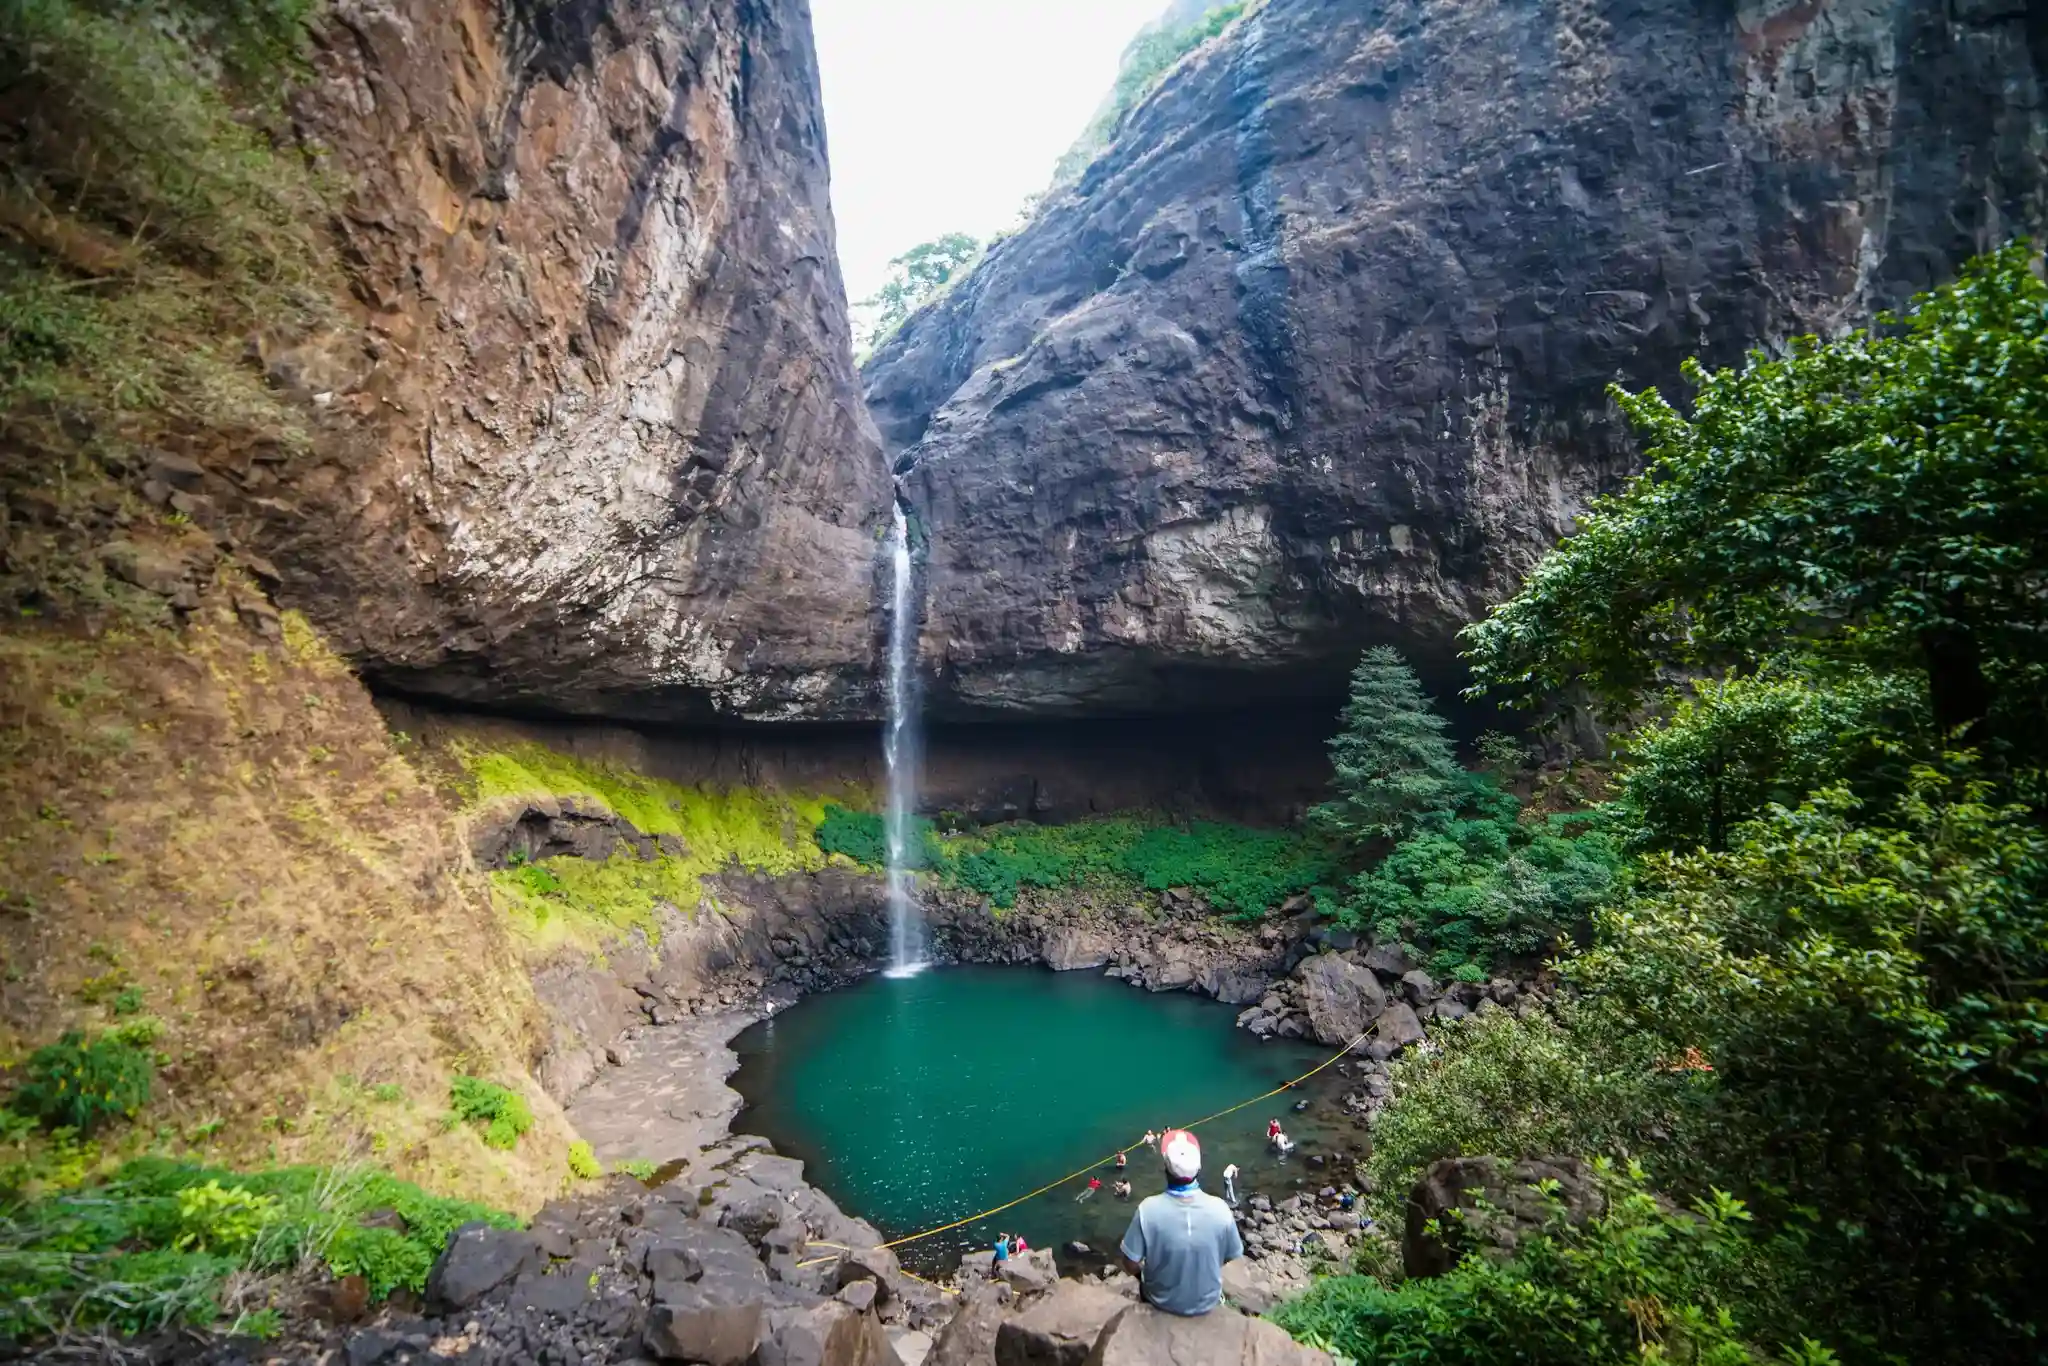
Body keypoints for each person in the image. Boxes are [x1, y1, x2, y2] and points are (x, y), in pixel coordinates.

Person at [1119, 1129, 1243, 1317]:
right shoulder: (1221, 1209)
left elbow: (1129, 1261)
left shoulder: (1147, 1209)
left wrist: (1143, 1276)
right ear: (1199, 1169)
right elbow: (1231, 1255)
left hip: (1160, 1300)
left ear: (1165, 1169)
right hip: (1207, 1302)